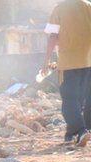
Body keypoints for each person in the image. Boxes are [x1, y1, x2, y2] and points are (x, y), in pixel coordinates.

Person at [45, 0, 91, 146]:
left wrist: (45, 61)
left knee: (69, 101)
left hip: (68, 63)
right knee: (80, 100)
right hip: (87, 61)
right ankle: (70, 135)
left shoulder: (59, 9)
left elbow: (53, 36)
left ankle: (81, 131)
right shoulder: (88, 6)